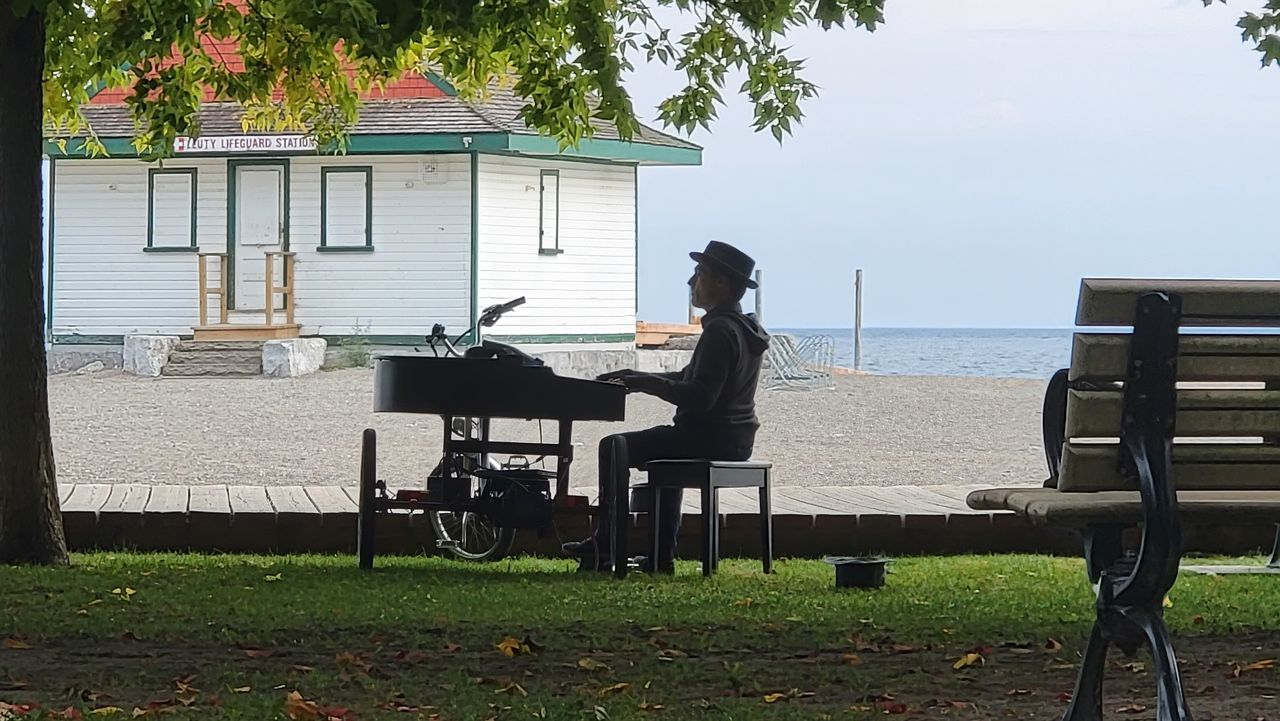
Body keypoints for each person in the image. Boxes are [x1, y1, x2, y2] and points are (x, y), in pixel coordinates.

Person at [563, 240, 771, 573]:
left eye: (700, 273)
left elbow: (701, 396)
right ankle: (660, 558)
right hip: (736, 439)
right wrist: (639, 377)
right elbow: (689, 376)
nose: (692, 281)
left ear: (722, 283)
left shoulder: (720, 331)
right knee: (663, 454)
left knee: (613, 447)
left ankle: (605, 547)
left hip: (707, 437)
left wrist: (645, 383)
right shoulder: (742, 329)